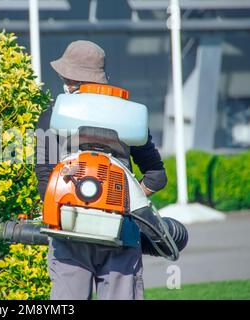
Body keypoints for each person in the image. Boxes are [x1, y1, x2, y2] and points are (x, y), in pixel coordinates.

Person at [35, 40, 168, 300]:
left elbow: (45, 177)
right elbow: (156, 176)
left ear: (69, 80)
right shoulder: (129, 117)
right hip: (121, 233)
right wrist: (126, 198)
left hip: (69, 233)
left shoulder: (53, 115)